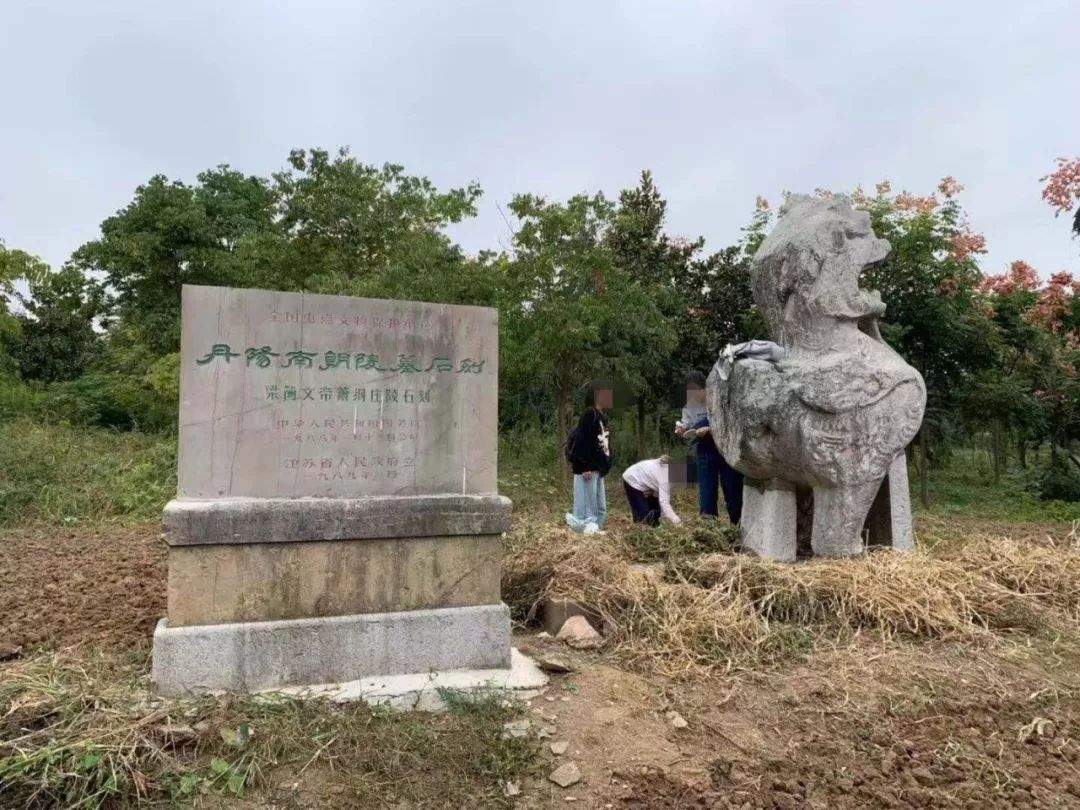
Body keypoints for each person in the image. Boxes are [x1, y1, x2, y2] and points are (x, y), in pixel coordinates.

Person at [675, 372, 743, 524]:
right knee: (707, 492)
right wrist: (681, 429)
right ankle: (709, 529)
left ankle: (738, 526)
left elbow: (733, 422)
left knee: (733, 491)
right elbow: (686, 424)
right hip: (705, 451)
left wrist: (710, 429)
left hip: (726, 449)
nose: (694, 397)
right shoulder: (689, 406)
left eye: (696, 392)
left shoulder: (721, 399)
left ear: (705, 388)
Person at [565, 385, 612, 533]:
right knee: (586, 508)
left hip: (597, 468)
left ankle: (593, 530)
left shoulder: (601, 418)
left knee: (600, 507)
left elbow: (602, 444)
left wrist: (604, 465)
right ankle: (585, 532)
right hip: (587, 468)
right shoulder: (589, 415)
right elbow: (582, 442)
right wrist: (585, 467)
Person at [622, 456, 681, 526]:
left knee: (656, 511)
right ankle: (640, 529)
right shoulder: (665, 477)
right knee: (642, 516)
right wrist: (676, 520)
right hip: (632, 479)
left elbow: (660, 491)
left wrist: (653, 492)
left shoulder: (667, 470)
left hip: (642, 479)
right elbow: (664, 502)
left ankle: (654, 528)